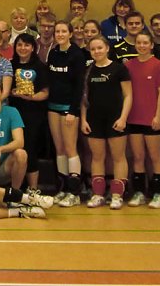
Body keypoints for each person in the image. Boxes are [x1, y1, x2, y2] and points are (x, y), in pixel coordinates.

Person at [81, 36, 132, 210]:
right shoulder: (88, 70)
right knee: (97, 157)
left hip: (115, 119)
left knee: (118, 157)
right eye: (93, 49)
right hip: (94, 120)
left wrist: (123, 118)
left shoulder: (119, 69)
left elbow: (128, 96)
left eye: (99, 48)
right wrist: (84, 119)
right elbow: (84, 99)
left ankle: (117, 195)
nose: (96, 51)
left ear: (107, 48)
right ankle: (98, 194)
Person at [46, 20, 86, 207]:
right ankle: (62, 189)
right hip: (53, 106)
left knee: (70, 149)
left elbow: (79, 85)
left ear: (70, 34)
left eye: (63, 31)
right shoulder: (53, 53)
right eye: (57, 31)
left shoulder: (77, 55)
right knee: (59, 149)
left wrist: (73, 110)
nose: (60, 34)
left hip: (69, 109)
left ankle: (74, 192)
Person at [126, 32, 160, 208]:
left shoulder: (159, 65)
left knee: (155, 156)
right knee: (138, 156)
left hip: (152, 118)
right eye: (139, 43)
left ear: (151, 45)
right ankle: (139, 192)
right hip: (133, 118)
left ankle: (159, 194)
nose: (142, 46)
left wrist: (158, 115)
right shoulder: (128, 65)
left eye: (145, 43)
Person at [9, 33, 50, 193]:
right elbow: (5, 89)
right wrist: (13, 93)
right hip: (13, 113)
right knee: (15, 150)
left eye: (26, 45)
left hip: (33, 114)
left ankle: (33, 189)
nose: (23, 48)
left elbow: (45, 92)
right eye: (19, 45)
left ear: (33, 47)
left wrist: (30, 97)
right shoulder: (10, 65)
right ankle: (16, 188)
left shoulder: (40, 67)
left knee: (30, 150)